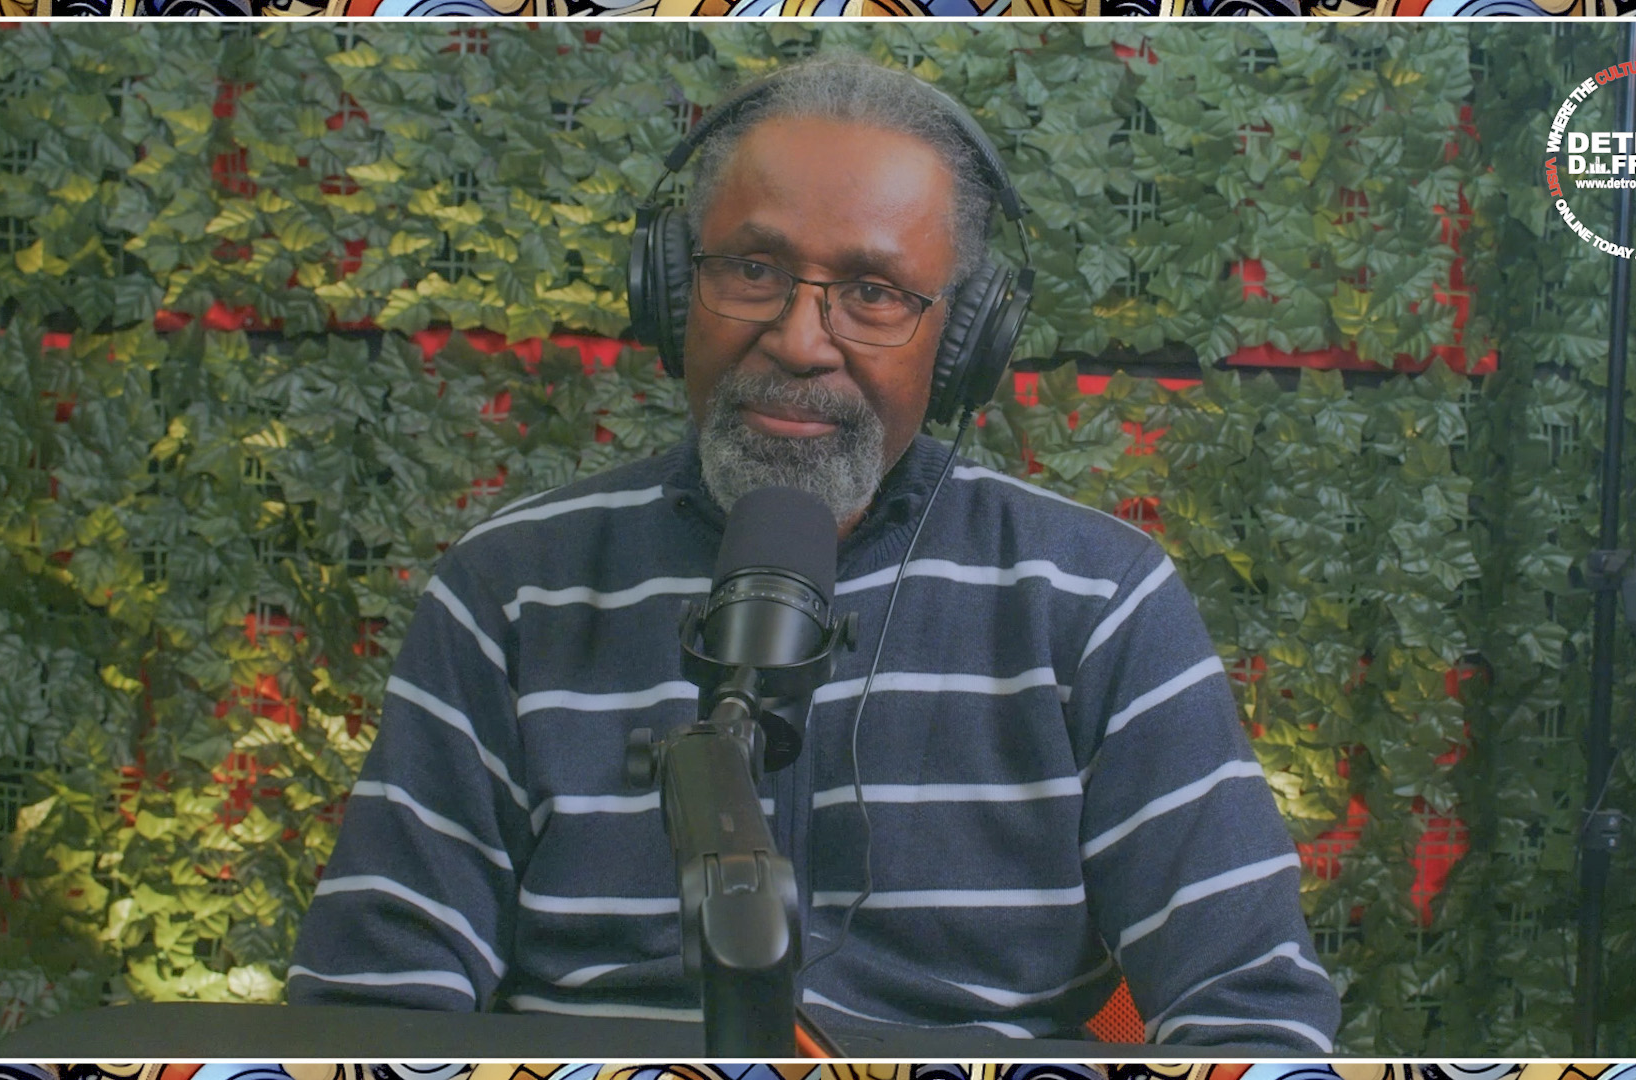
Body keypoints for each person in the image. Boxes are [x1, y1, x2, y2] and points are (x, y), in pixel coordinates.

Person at [288, 56, 1342, 1053]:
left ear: (964, 340)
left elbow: (1251, 1014)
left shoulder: (1095, 598)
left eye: (874, 292)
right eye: (754, 269)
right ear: (672, 289)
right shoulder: (511, 588)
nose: (800, 340)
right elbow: (374, 1012)